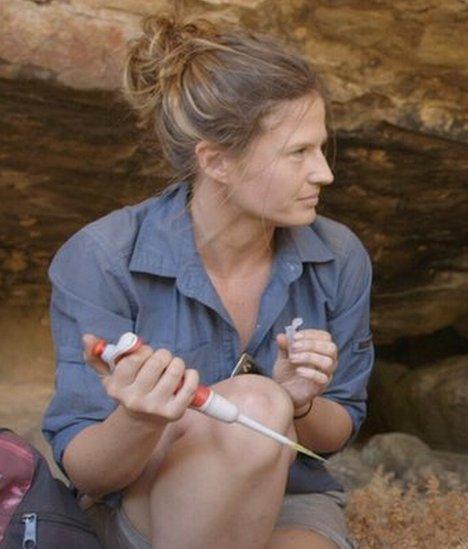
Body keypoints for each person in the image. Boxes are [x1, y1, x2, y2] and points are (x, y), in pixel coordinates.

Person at [41, 12, 373, 549]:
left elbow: (337, 434)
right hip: (143, 500)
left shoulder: (339, 255)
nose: (324, 173)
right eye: (298, 153)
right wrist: (140, 418)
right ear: (217, 161)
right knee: (257, 407)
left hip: (291, 495)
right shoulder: (102, 256)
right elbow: (87, 473)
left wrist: (301, 402)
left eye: (321, 147)